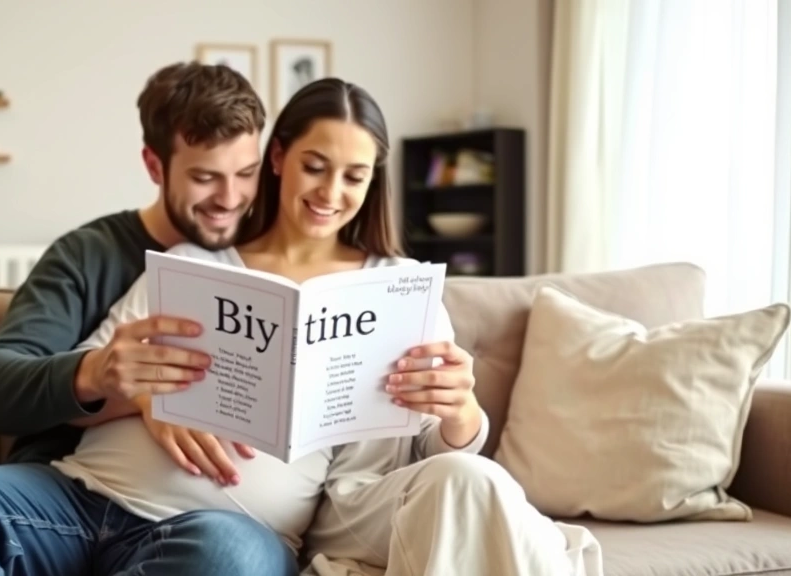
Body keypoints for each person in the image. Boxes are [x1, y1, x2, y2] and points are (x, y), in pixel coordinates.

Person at [52, 78, 605, 576]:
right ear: (278, 157)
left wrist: (460, 410)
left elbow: (438, 449)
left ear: (372, 181)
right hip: (289, 514)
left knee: (472, 478)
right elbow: (88, 379)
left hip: (367, 501)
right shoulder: (196, 264)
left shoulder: (402, 285)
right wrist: (149, 395)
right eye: (315, 166)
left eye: (354, 176)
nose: (330, 192)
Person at [0, 61, 281, 576]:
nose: (230, 199)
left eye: (245, 174)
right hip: (65, 503)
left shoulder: (271, 262)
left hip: (192, 530)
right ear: (155, 166)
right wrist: (100, 376)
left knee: (234, 553)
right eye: (204, 177)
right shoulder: (88, 255)